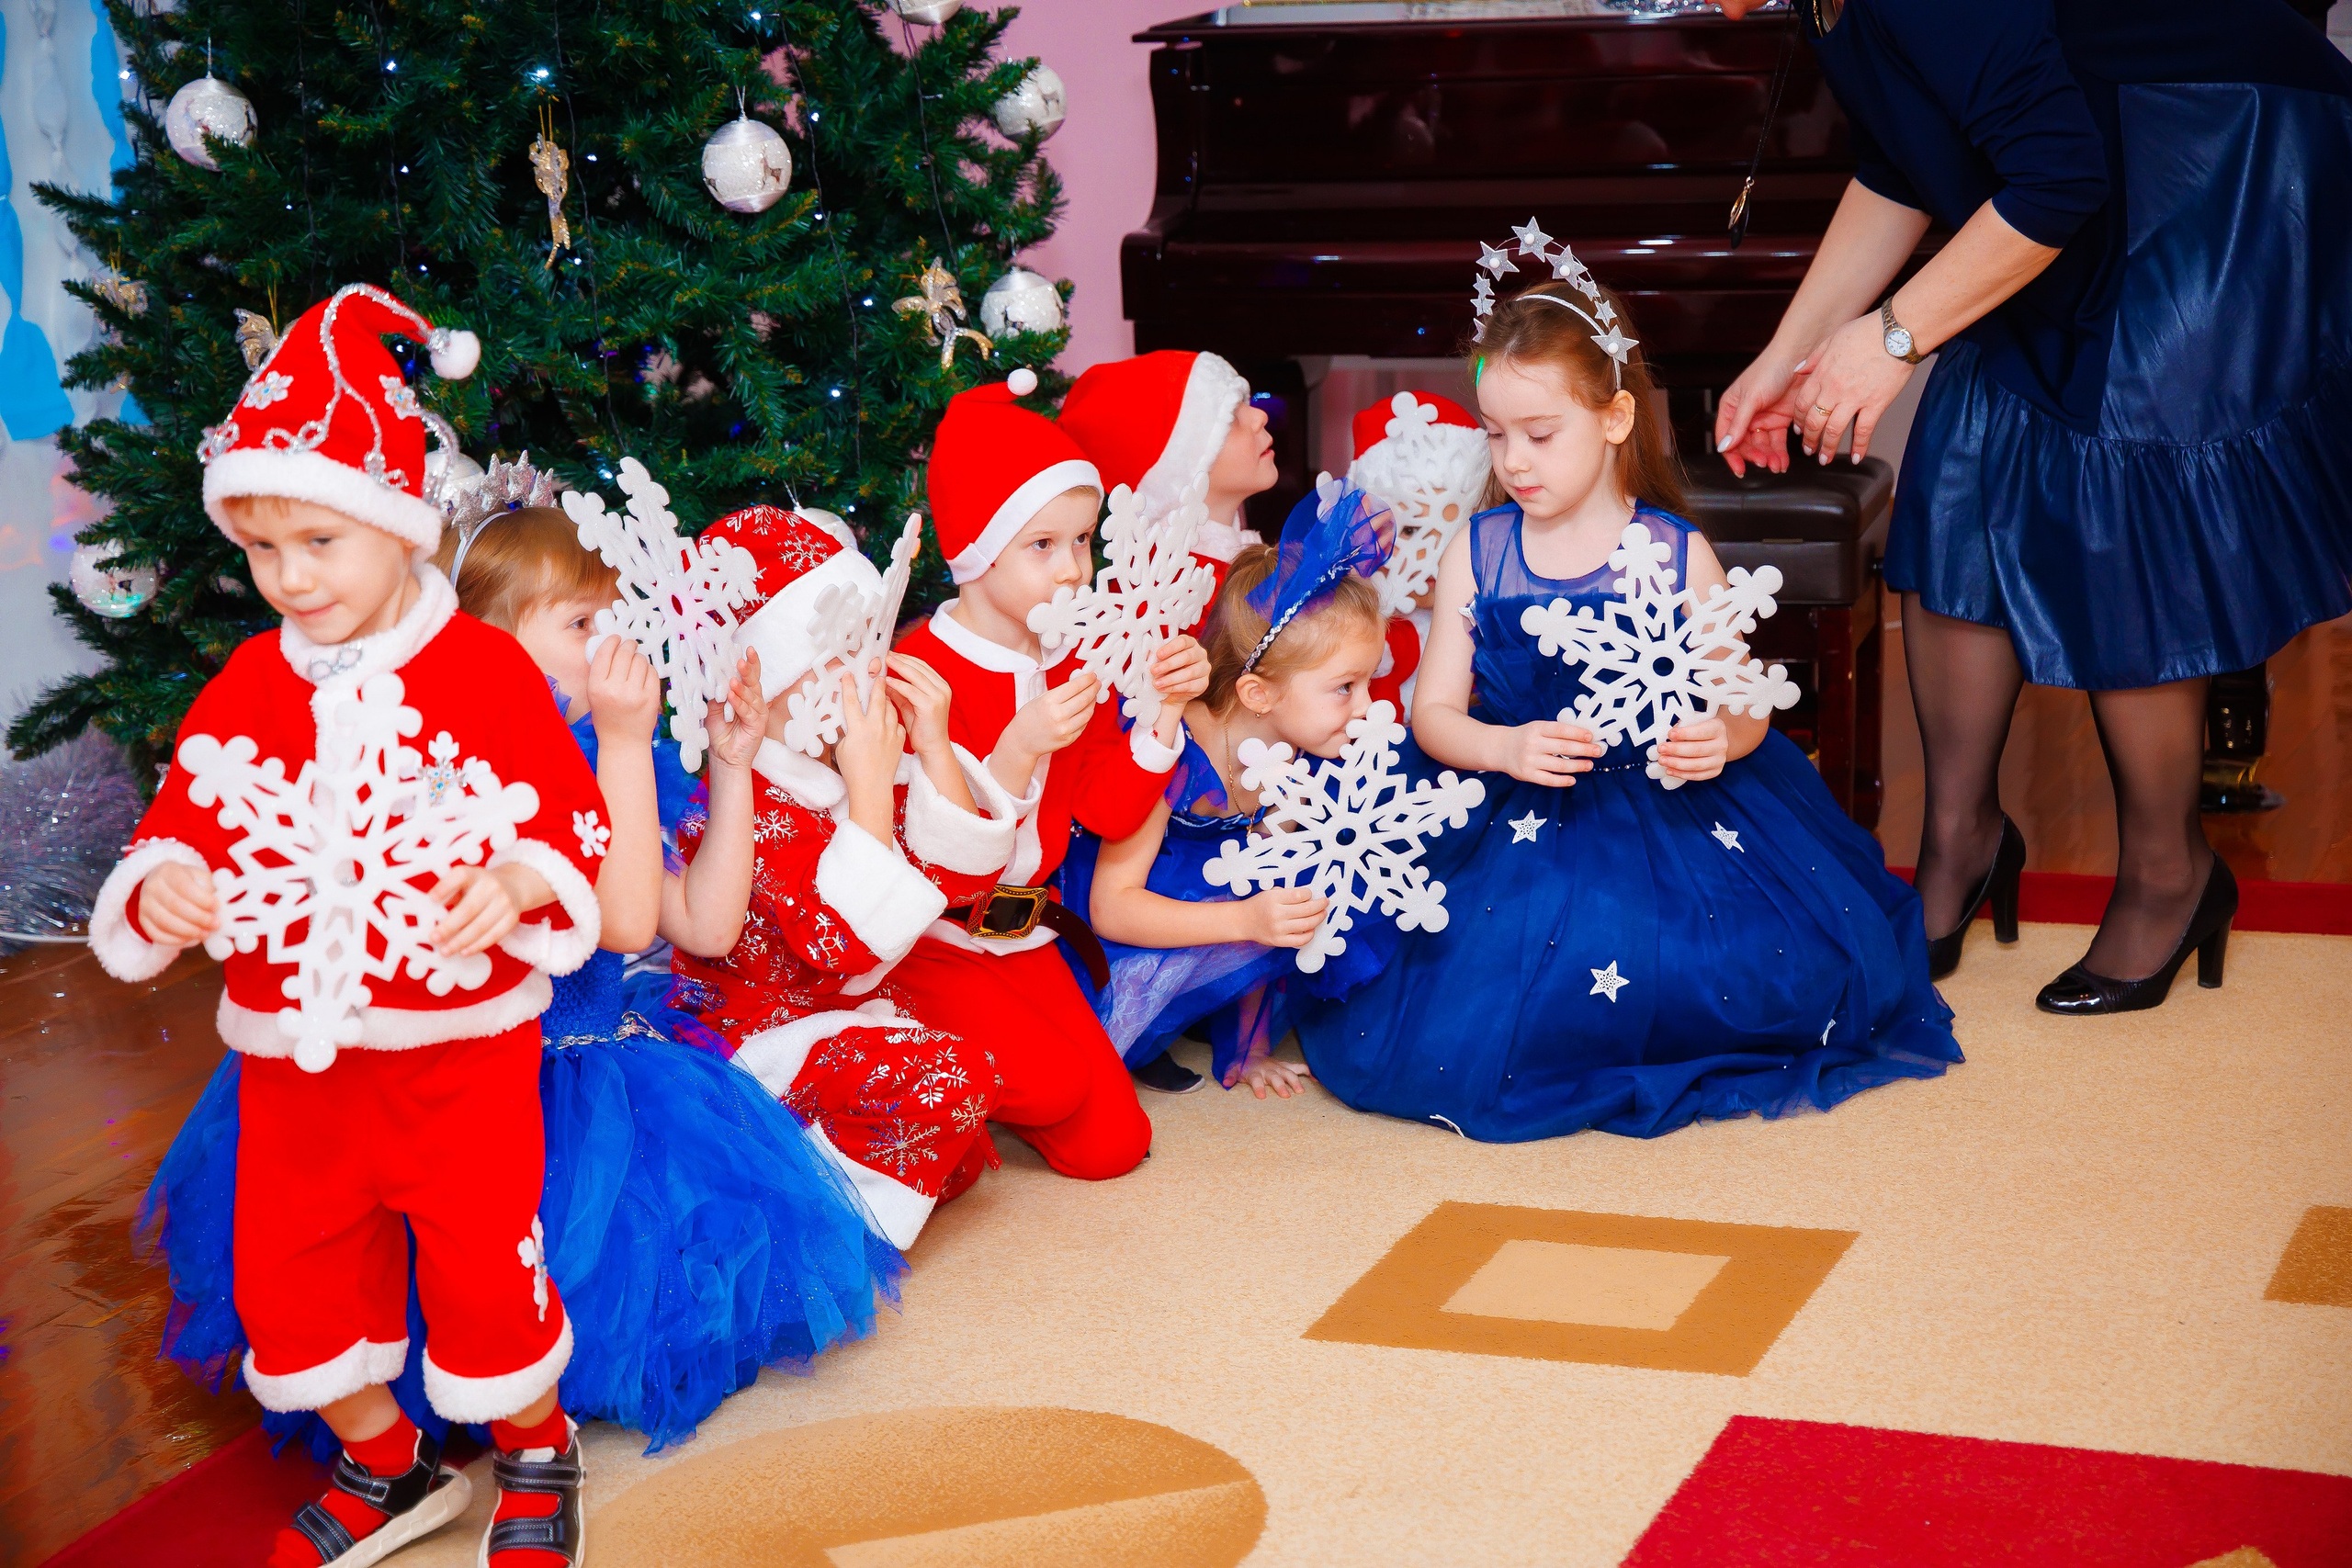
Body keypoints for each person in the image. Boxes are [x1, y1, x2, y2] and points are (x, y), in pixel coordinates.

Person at [90, 286, 605, 1568]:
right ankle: (388, 1457)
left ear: (400, 527)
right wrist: (162, 883)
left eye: (321, 541)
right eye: (264, 552)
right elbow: (188, 809)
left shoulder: (483, 672)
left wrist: (526, 879)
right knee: (288, 1278)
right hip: (294, 1061)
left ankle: (536, 1444)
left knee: (486, 1273)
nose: (290, 578)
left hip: (457, 1047)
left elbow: (572, 820)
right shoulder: (252, 676)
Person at [1712, 0, 2352, 1012]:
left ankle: (2168, 876)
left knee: (2125, 483)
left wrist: (1887, 339)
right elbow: (1899, 167)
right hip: (2075, 156)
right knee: (1966, 454)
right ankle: (1961, 847)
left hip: (2208, 139)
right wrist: (1783, 358)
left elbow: (2058, 176)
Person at [1294, 267, 1962, 1142]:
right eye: (1497, 437)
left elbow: (1744, 702)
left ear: (1614, 420)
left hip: (1668, 810)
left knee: (1731, 968)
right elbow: (1436, 714)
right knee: (1469, 978)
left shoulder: (1674, 553)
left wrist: (1719, 740)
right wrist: (1501, 749)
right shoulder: (1480, 550)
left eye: (1539, 433)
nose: (1514, 462)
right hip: (1512, 809)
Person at [672, 504, 1019, 1247]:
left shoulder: (834, 764)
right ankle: (811, 1208)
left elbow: (959, 882)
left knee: (964, 1121)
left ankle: (830, 1151)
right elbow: (833, 943)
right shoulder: (747, 800)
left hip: (848, 1014)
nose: (860, 674)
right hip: (756, 1040)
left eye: (868, 647)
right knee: (946, 1083)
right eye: (834, 655)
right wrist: (867, 791)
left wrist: (931, 748)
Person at [888, 370, 1212, 1145]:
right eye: (1041, 545)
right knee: (1053, 1084)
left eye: (1080, 541)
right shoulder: (918, 668)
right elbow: (921, 859)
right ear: (975, 551)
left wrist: (1163, 712)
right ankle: (908, 1039)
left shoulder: (1073, 661)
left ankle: (985, 1056)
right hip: (936, 946)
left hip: (1027, 939)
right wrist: (1015, 750)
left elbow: (1106, 808)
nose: (1071, 568)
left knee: (1114, 1144)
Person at [1060, 486, 1394, 1099]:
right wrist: (1245, 918)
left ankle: (1222, 1032)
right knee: (1081, 1065)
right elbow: (1112, 905)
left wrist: (1252, 1049)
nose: (1368, 707)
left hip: (1217, 902)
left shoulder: (1299, 752)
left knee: (1310, 898)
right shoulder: (1173, 752)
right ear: (1259, 695)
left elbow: (1273, 894)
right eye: (1346, 687)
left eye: (1369, 681)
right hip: (1115, 928)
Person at [1058, 348, 1279, 620]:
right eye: (1230, 417)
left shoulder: (1228, 565)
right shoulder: (1166, 600)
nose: (1259, 417)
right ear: (1182, 466)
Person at [1344, 390, 1490, 714]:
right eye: (1411, 531)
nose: (1437, 559)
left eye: (1459, 532)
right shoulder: (1367, 645)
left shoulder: (1495, 627)